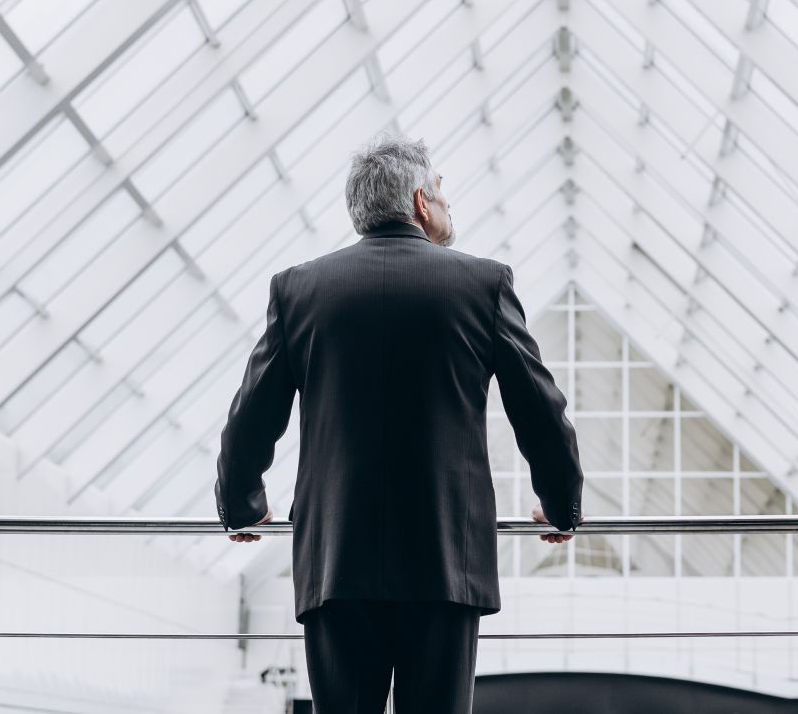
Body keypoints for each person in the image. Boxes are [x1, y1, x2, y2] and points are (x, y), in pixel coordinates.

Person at [215, 133, 582, 713]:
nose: (446, 202)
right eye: (440, 190)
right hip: (445, 561)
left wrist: (242, 502)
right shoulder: (482, 285)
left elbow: (251, 415)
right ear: (418, 201)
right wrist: (561, 502)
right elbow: (539, 407)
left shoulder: (300, 290)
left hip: (336, 562)